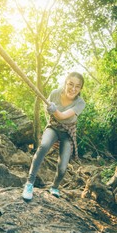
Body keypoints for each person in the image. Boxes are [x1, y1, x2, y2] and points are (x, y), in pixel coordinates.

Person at [22, 72, 86, 200]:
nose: (73, 89)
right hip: (53, 127)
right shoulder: (55, 93)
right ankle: (29, 183)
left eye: (77, 86)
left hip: (67, 133)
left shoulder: (80, 103)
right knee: (44, 146)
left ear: (80, 89)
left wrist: (55, 110)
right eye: (70, 84)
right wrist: (50, 113)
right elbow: (49, 114)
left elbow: (62, 116)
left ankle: (55, 187)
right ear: (65, 83)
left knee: (62, 167)